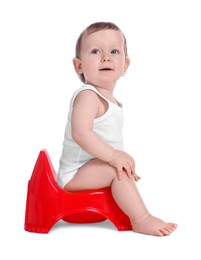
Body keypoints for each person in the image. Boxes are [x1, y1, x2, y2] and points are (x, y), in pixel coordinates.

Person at [57, 22, 177, 236]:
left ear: (125, 64)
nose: (105, 57)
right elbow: (81, 133)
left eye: (114, 51)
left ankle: (130, 208)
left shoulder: (108, 99)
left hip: (91, 170)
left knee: (121, 166)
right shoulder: (88, 96)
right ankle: (142, 218)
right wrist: (113, 156)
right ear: (79, 66)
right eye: (95, 51)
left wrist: (118, 157)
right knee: (117, 170)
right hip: (74, 176)